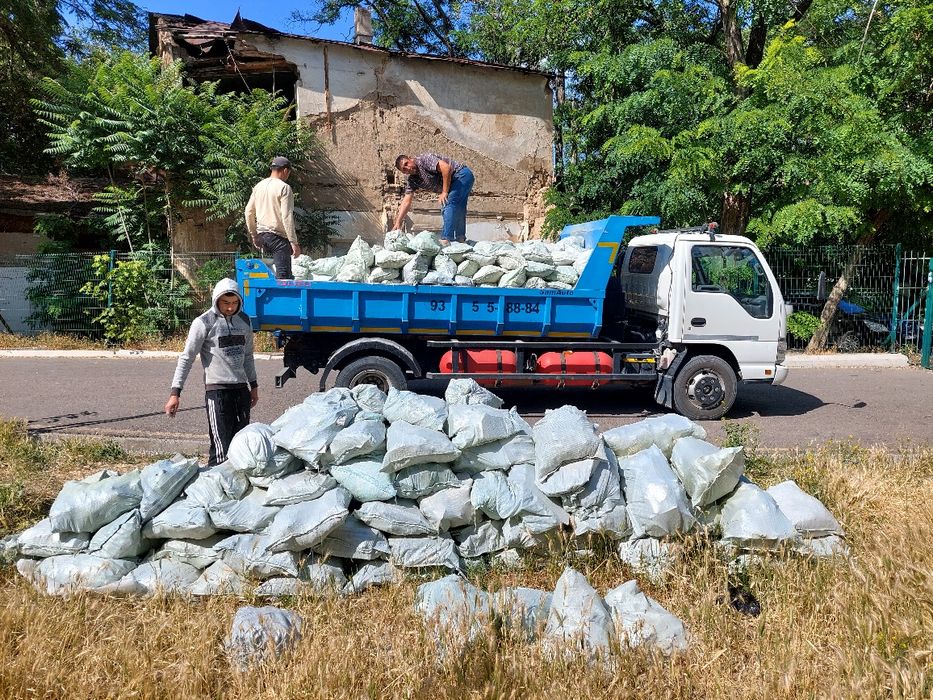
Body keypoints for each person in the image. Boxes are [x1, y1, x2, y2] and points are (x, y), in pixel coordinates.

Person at [164, 278, 259, 466]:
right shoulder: (203, 322)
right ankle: (214, 489)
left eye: (234, 303)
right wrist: (175, 394)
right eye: (225, 303)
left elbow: (248, 356)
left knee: (241, 447)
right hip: (218, 392)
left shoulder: (245, 321)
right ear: (216, 300)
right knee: (221, 450)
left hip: (241, 391)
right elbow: (187, 358)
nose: (230, 308)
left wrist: (254, 386)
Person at [392, 153, 474, 242]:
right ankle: (460, 238)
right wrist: (398, 222)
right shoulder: (413, 180)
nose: (408, 168)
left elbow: (446, 168)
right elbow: (406, 201)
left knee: (448, 204)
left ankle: (446, 239)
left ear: (410, 158)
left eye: (406, 164)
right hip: (460, 180)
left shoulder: (424, 160)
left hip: (461, 175)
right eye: (404, 169)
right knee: (459, 208)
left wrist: (445, 192)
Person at [245, 156, 301, 279]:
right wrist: (293, 242)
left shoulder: (258, 186)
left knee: (265, 276)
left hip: (262, 238)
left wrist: (254, 235)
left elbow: (248, 212)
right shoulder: (284, 188)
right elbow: (286, 216)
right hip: (278, 239)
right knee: (284, 277)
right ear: (285, 171)